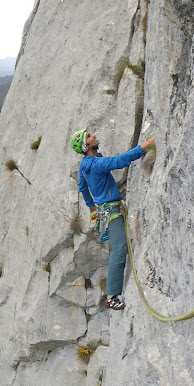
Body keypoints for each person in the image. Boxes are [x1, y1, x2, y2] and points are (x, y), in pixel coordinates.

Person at [71, 129, 155, 310]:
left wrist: (91, 206)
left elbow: (82, 186)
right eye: (89, 136)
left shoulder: (85, 165)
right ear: (86, 146)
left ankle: (111, 294)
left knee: (117, 248)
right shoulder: (95, 164)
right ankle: (111, 296)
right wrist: (146, 145)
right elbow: (118, 161)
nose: (93, 135)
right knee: (119, 249)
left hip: (105, 210)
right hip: (112, 211)